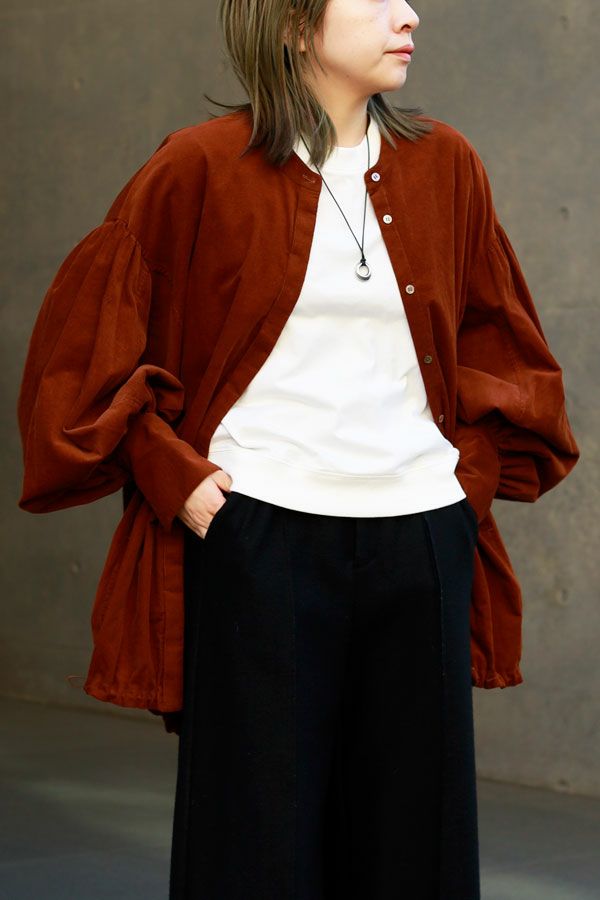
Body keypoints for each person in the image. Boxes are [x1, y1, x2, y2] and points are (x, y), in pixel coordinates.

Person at [17, 1, 580, 898]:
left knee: (418, 850)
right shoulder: (197, 166)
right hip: (260, 539)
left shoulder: (447, 165)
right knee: (254, 849)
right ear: (292, 21)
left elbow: (500, 345)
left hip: (420, 541)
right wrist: (178, 480)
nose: (409, 14)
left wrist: (463, 487)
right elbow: (82, 357)